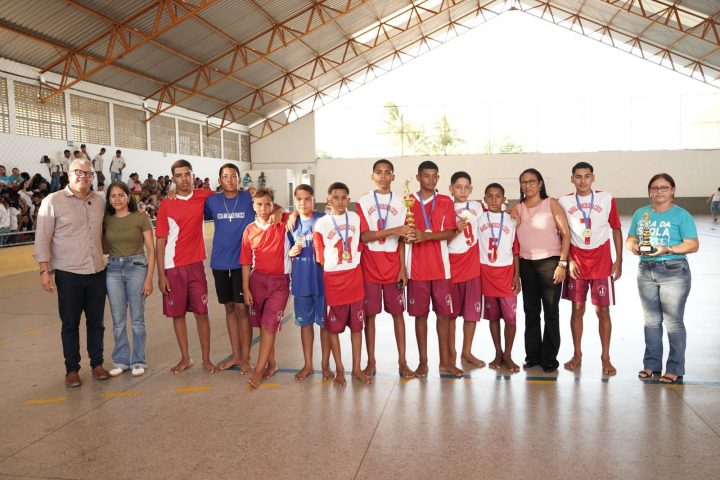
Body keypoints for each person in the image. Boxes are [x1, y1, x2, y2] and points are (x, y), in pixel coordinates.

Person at [34, 158, 110, 386]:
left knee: (96, 322)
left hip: (97, 271)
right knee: (70, 324)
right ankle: (72, 369)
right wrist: (44, 271)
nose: (84, 177)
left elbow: (122, 211)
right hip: (68, 274)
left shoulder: (100, 201)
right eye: (79, 172)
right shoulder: (52, 201)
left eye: (89, 174)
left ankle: (97, 364)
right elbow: (42, 238)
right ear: (68, 174)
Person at [627, 173, 698, 384]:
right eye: (655, 188)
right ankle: (651, 364)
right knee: (651, 321)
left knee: (673, 322)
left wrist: (668, 248)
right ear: (649, 191)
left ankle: (675, 367)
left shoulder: (681, 215)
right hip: (645, 269)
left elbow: (693, 244)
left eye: (664, 187)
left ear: (672, 190)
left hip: (673, 270)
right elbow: (631, 238)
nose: (659, 191)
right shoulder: (641, 214)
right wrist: (634, 246)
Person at [558, 162, 623, 376]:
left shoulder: (606, 198)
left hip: (602, 263)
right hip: (577, 263)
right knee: (577, 309)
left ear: (593, 178)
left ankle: (606, 357)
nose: (583, 180)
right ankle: (577, 354)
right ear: (572, 179)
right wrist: (569, 260)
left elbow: (616, 229)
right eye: (578, 176)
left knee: (603, 310)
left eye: (587, 176)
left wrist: (619, 260)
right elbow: (562, 234)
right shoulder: (564, 201)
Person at [155, 159, 218, 374]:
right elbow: (160, 240)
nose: (184, 179)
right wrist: (161, 275)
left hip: (196, 266)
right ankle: (185, 358)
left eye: (187, 174)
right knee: (178, 314)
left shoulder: (204, 196)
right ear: (173, 179)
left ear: (193, 175)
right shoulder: (166, 204)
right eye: (179, 175)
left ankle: (207, 359)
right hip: (173, 266)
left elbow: (230, 197)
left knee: (202, 313)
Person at [355, 159, 414, 378]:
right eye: (378, 172)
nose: (382, 176)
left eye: (387, 172)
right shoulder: (363, 201)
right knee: (369, 316)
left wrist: (403, 268)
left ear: (393, 177)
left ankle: (403, 362)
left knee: (398, 315)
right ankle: (371, 361)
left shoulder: (402, 202)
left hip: (393, 268)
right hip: (370, 267)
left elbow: (402, 239)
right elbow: (364, 236)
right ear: (372, 176)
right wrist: (392, 230)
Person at [405, 161, 462, 377]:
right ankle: (423, 362)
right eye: (426, 175)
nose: (431, 179)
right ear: (418, 177)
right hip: (416, 270)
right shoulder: (407, 201)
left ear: (438, 178)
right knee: (420, 317)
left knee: (444, 316)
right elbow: (403, 234)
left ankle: (445, 362)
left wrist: (426, 236)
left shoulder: (445, 201)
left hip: (441, 269)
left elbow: (450, 232)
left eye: (434, 176)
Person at [511, 168, 570, 373]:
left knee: (551, 311)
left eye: (531, 181)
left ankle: (549, 357)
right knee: (531, 311)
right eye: (523, 182)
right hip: (526, 264)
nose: (527, 185)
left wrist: (562, 264)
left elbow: (566, 234)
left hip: (550, 263)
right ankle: (533, 355)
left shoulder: (551, 203)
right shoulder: (517, 208)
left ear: (540, 184)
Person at [314, 182, 372, 386]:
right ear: (328, 199)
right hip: (334, 282)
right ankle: (339, 368)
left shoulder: (355, 218)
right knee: (333, 329)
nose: (339, 201)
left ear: (348, 200)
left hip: (354, 280)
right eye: (335, 197)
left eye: (343, 197)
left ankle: (356, 369)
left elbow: (360, 246)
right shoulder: (321, 224)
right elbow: (320, 258)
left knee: (357, 327)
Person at [204, 163, 255, 374]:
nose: (230, 180)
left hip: (243, 263)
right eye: (225, 176)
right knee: (230, 308)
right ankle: (235, 354)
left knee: (242, 309)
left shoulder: (249, 198)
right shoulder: (212, 201)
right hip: (220, 263)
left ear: (239, 179)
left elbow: (272, 205)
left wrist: (281, 213)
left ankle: (246, 358)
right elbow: (191, 203)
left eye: (233, 176)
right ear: (219, 181)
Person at [103, 182, 155, 377]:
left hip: (137, 268)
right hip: (113, 270)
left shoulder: (141, 217)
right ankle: (121, 360)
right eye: (113, 196)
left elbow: (151, 249)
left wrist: (149, 278)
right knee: (118, 320)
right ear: (108, 199)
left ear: (128, 197)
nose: (117, 199)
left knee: (137, 319)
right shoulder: (106, 219)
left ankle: (138, 360)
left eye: (121, 195)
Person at [241, 188, 291, 388]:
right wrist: (246, 289)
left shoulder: (282, 222)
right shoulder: (249, 230)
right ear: (253, 206)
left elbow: (297, 213)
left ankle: (258, 372)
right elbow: (246, 263)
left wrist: (280, 210)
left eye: (267, 204)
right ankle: (272, 364)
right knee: (263, 326)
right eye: (259, 204)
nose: (263, 208)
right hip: (257, 282)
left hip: (280, 284)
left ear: (273, 205)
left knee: (269, 326)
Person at [287, 184, 333, 381]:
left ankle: (325, 364)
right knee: (305, 325)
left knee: (325, 325)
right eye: (299, 199)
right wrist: (291, 252)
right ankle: (308, 365)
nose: (303, 203)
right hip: (301, 282)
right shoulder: (290, 224)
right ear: (294, 200)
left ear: (314, 200)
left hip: (322, 282)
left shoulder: (323, 220)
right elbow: (286, 250)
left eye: (307, 199)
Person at [479, 183, 521, 372]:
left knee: (510, 318)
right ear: (484, 199)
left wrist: (517, 276)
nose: (494, 200)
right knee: (493, 317)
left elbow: (515, 251)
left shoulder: (511, 220)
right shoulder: (479, 218)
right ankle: (498, 352)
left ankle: (508, 355)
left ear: (504, 199)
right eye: (490, 196)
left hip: (506, 274)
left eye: (498, 196)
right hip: (487, 273)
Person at [447, 171, 485, 367]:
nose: (462, 191)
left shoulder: (477, 207)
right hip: (452, 265)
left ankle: (467, 351)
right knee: (450, 315)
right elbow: (440, 238)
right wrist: (455, 230)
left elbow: (496, 212)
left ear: (471, 189)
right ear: (451, 189)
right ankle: (450, 352)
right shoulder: (445, 208)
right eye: (458, 187)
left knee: (471, 313)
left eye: (466, 187)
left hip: (472, 265)